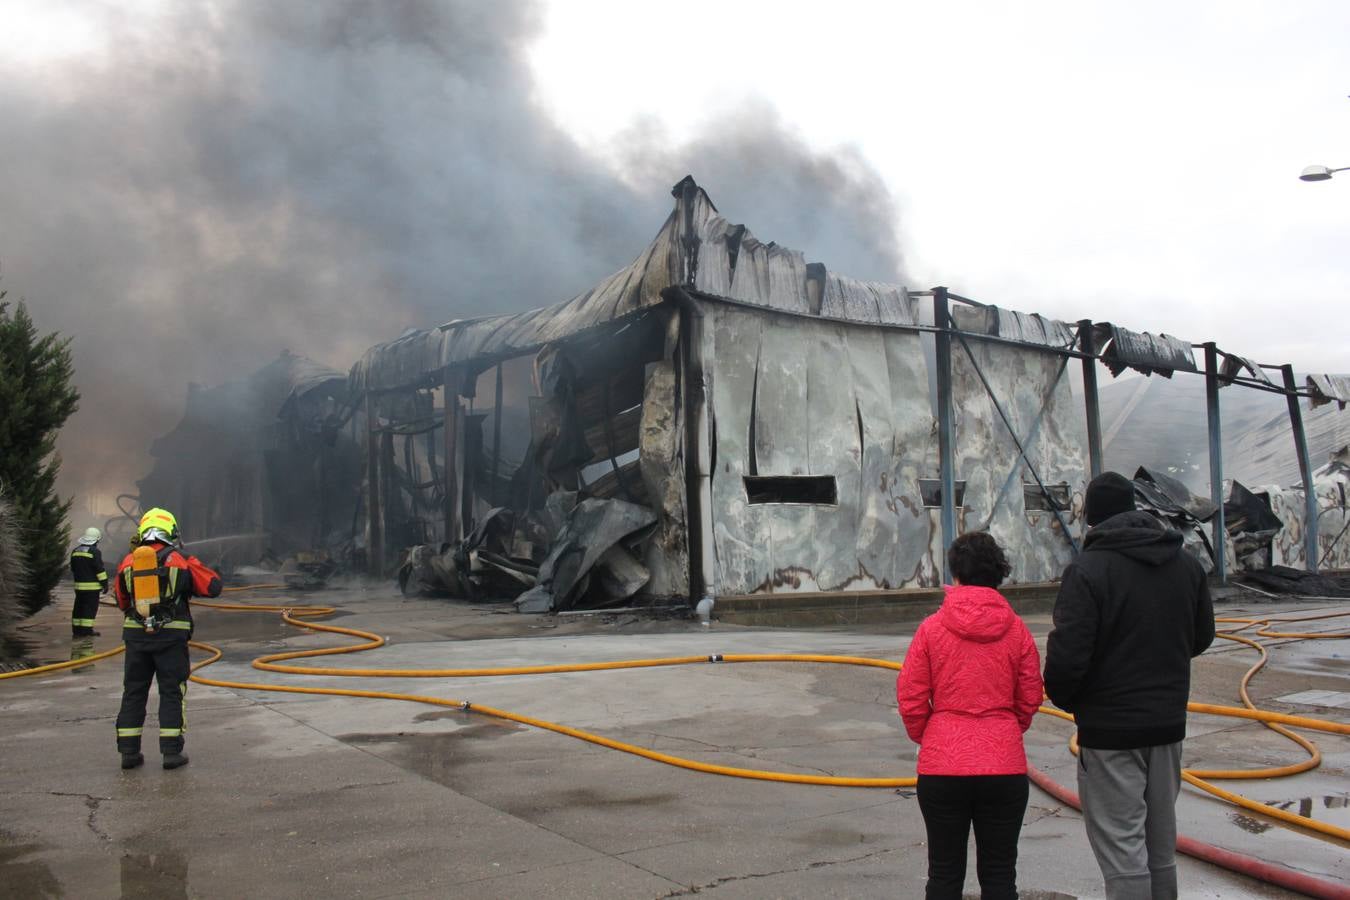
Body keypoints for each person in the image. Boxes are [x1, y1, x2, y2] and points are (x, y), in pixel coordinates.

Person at [1044, 472, 1215, 900]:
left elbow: (1068, 656)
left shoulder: (1087, 571)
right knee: (1160, 846)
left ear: (1093, 519)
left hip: (1110, 732)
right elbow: (1202, 636)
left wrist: (1069, 699)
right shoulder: (1186, 564)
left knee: (1122, 849)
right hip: (1168, 726)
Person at [897, 532, 1043, 900]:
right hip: (1004, 766)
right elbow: (1030, 696)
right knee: (999, 876)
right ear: (998, 576)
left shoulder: (931, 629)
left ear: (956, 575)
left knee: (944, 876)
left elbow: (911, 695)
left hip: (942, 768)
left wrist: (929, 736)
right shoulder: (1018, 632)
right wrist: (1007, 728)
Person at [112, 508, 222, 771]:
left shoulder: (128, 561)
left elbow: (121, 600)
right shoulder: (179, 559)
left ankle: (129, 753)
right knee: (171, 691)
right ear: (172, 531)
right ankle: (171, 753)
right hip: (171, 637)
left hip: (136, 638)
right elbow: (213, 586)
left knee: (134, 691)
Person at [69, 527, 109, 637]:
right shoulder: (94, 552)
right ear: (96, 540)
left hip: (78, 587)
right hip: (92, 588)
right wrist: (105, 584)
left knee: (78, 608)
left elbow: (72, 568)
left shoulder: (75, 551)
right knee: (89, 608)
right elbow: (99, 570)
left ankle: (77, 631)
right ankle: (87, 631)